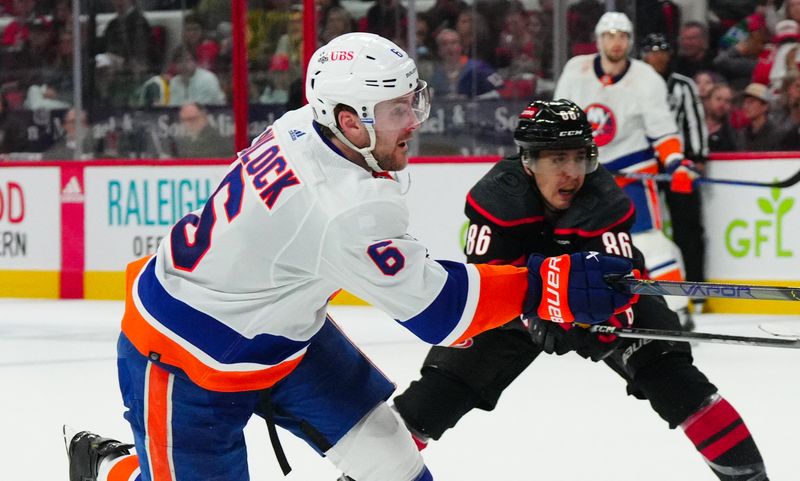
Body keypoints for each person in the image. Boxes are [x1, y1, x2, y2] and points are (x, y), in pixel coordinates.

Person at [64, 33, 636, 481]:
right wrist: (544, 284)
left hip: (285, 334)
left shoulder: (304, 124)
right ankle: (111, 467)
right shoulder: (343, 206)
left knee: (392, 461)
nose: (414, 121)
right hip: (188, 359)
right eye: (395, 111)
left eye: (412, 102)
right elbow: (442, 314)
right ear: (348, 120)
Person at [340, 99, 770, 481]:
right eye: (556, 159)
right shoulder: (496, 199)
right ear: (528, 162)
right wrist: (534, 314)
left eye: (580, 157)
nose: (571, 172)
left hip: (591, 301)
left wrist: (607, 319)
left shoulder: (605, 198)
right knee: (431, 400)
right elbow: (488, 280)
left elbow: (621, 280)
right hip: (516, 302)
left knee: (677, 381)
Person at [554, 11, 696, 327]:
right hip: (586, 174)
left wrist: (675, 163)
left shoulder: (646, 77)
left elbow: (663, 130)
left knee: (648, 240)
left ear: (629, 41)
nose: (615, 43)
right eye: (609, 36)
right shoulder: (576, 70)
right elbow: (559, 119)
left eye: (622, 36)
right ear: (599, 39)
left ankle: (678, 308)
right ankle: (579, 307)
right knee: (576, 242)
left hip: (633, 170)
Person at [640, 33, 708, 309]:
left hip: (678, 164)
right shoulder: (634, 85)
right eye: (652, 50)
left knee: (688, 226)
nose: (657, 56)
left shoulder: (683, 86)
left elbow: (695, 121)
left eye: (662, 50)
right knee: (644, 230)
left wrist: (697, 156)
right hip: (643, 165)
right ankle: (646, 289)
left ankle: (697, 288)